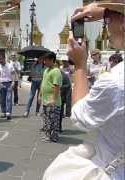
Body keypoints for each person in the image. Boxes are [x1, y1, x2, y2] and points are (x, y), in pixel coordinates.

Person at [68, 1, 124, 179]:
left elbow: (80, 117)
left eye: (107, 22)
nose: (107, 29)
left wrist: (80, 66)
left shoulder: (115, 82)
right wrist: (108, 13)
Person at [38, 52, 62, 142]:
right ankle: (48, 135)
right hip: (45, 99)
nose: (44, 62)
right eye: (44, 60)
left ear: (52, 60)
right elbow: (43, 83)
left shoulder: (56, 71)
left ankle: (54, 136)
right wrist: (40, 95)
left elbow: (56, 86)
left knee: (53, 120)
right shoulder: (46, 70)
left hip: (53, 101)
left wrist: (53, 99)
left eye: (46, 60)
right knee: (47, 119)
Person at [0, 55, 15, 120]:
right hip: (1, 84)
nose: (1, 61)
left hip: (9, 83)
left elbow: (13, 74)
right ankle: (3, 112)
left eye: (2, 59)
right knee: (2, 99)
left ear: (4, 58)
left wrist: (13, 82)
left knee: (9, 99)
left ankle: (8, 113)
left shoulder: (10, 65)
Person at [56, 61, 72, 133]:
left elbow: (68, 85)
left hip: (61, 96)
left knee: (59, 112)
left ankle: (58, 127)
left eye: (56, 66)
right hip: (54, 95)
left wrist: (59, 87)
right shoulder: (51, 73)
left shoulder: (62, 75)